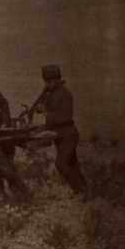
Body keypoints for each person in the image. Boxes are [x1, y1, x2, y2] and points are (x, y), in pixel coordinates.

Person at [31, 64, 87, 195]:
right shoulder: (51, 93)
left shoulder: (65, 94)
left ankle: (79, 189)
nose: (47, 84)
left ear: (58, 79)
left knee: (60, 165)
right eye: (45, 81)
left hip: (68, 135)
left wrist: (45, 112)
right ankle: (84, 191)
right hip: (59, 135)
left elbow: (66, 117)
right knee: (73, 165)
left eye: (50, 81)